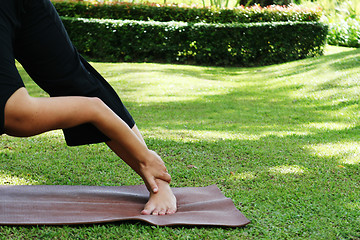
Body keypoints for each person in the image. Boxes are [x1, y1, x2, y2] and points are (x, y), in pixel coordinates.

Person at [0, 0, 177, 215]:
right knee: (73, 80)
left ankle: (157, 179)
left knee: (73, 79)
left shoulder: (17, 114)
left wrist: (145, 158)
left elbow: (93, 107)